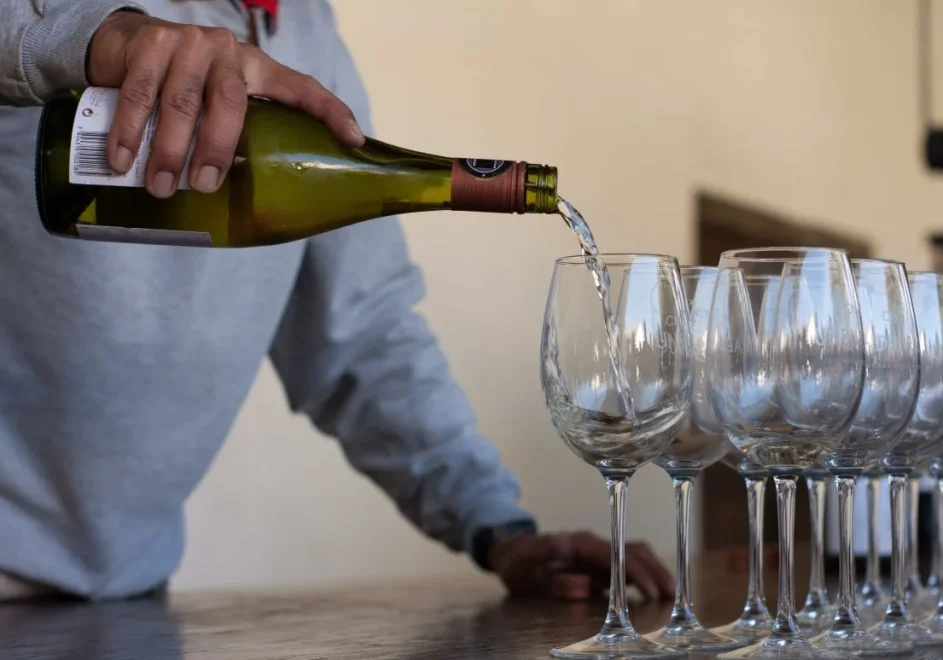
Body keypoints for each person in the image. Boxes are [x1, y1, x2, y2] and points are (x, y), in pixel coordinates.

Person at [0, 0, 673, 602]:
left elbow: (362, 337)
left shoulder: (311, 40)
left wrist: (498, 527)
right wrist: (90, 36)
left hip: (125, 598)